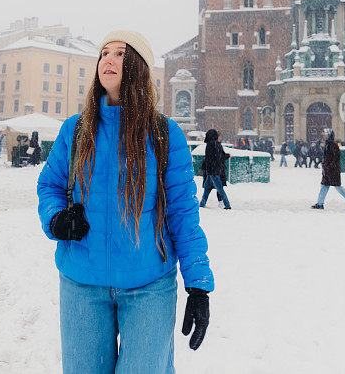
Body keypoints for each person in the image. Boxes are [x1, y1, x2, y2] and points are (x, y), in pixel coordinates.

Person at [37, 31, 213, 372]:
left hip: (149, 287)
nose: (108, 59)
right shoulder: (75, 130)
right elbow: (51, 186)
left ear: (139, 67)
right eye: (104, 53)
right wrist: (56, 217)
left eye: (119, 53)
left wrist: (198, 284)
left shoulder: (164, 134)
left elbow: (182, 213)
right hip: (82, 284)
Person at [311, 128, 345, 211]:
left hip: (333, 170)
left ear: (329, 135)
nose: (323, 136)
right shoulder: (328, 144)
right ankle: (320, 203)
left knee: (337, 187)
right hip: (329, 170)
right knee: (325, 186)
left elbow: (335, 158)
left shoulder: (333, 145)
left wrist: (329, 167)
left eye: (325, 135)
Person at [200, 129, 232, 210]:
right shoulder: (216, 145)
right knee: (218, 189)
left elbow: (210, 158)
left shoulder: (209, 145)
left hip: (211, 171)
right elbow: (220, 157)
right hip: (214, 171)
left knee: (208, 190)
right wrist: (227, 156)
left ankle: (202, 204)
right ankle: (202, 204)